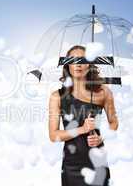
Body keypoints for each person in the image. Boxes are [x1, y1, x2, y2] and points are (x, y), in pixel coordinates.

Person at [48, 45, 119, 186]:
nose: (78, 65)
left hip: (96, 160)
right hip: (71, 164)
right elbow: (53, 135)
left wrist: (101, 136)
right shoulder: (57, 97)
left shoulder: (103, 92)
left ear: (90, 65)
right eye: (74, 60)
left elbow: (114, 123)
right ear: (67, 64)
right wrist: (81, 129)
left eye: (83, 60)